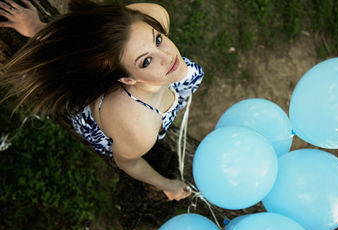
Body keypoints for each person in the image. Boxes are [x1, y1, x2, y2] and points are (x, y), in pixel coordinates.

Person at [1, 0, 204, 201]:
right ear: (127, 79)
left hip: (152, 88)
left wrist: (37, 28)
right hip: (113, 121)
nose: (168, 57)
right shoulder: (140, 129)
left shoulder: (150, 15)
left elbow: (91, 41)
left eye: (158, 40)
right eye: (146, 61)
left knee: (187, 73)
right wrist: (167, 185)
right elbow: (128, 162)